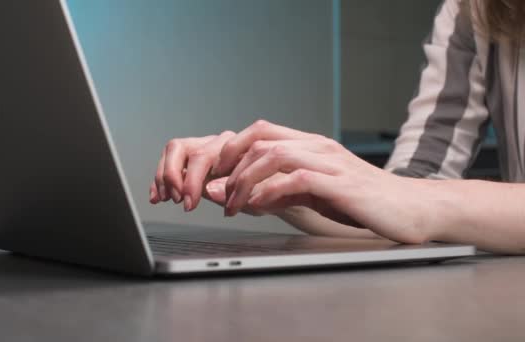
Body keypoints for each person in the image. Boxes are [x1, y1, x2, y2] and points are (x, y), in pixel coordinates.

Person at [149, 0, 525, 255]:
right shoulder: (474, 9)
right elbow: (408, 192)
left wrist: (425, 202)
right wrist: (286, 182)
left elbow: (418, 201)